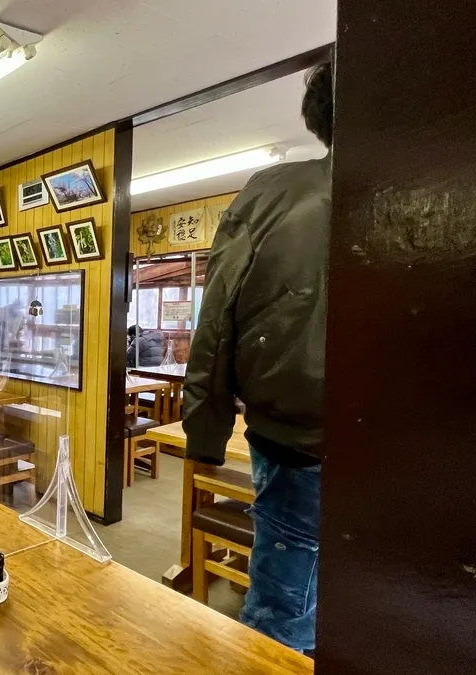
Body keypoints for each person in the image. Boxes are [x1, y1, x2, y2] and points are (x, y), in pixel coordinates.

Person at [182, 62, 333, 655]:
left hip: (291, 437)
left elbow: (215, 322)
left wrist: (207, 429)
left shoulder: (274, 193)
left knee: (281, 615)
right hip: (415, 458)